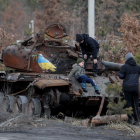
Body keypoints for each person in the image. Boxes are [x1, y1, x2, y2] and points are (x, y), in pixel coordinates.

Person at [118, 53, 140, 125]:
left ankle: (130, 120)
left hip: (127, 88)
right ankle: (137, 120)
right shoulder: (138, 67)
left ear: (127, 58)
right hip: (135, 88)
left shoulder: (124, 67)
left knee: (128, 104)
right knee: (135, 104)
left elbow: (121, 76)